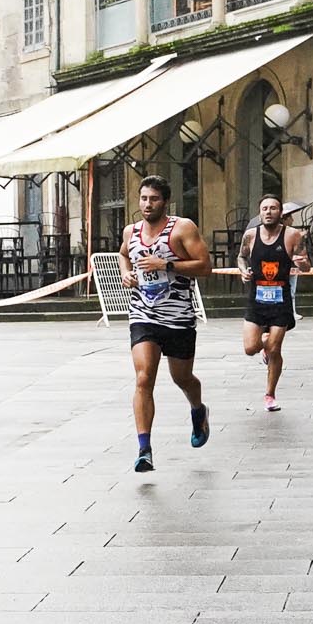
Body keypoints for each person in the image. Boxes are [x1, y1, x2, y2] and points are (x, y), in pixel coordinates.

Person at [123, 173, 209, 472]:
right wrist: (127, 273)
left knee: (182, 378)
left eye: (154, 199)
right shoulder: (130, 231)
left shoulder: (182, 228)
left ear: (165, 201)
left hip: (179, 317)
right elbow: (125, 255)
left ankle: (198, 410)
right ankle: (144, 449)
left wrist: (167, 264)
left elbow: (205, 266)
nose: (148, 204)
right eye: (144, 198)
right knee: (144, 377)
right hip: (143, 314)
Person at [238, 194, 306, 412]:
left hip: (280, 301)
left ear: (281, 213)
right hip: (256, 300)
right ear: (260, 212)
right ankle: (264, 349)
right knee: (250, 348)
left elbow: (307, 267)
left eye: (273, 208)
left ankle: (270, 394)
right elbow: (241, 257)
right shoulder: (250, 236)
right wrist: (243, 271)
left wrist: (302, 262)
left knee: (275, 348)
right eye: (264, 208)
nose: (268, 212)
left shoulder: (293, 236)